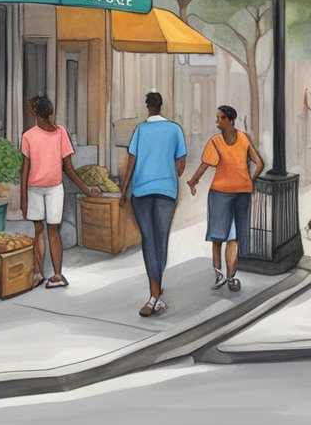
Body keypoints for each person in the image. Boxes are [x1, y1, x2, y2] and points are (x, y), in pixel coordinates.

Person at [20, 95, 101, 289]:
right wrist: (23, 197)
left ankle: (57, 274)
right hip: (35, 190)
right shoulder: (28, 136)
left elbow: (68, 168)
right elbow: (25, 169)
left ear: (35, 113)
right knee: (41, 229)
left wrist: (86, 189)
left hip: (54, 189)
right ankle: (40, 273)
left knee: (50, 229)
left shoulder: (60, 133)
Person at [120, 92, 188, 318]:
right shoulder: (175, 130)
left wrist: (123, 191)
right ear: (161, 106)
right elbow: (180, 167)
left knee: (148, 241)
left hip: (141, 191)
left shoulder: (140, 130)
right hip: (166, 191)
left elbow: (131, 162)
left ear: (147, 106)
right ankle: (155, 292)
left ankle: (154, 294)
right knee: (161, 240)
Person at [185, 106, 263, 293]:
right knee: (218, 236)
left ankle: (229, 276)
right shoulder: (216, 142)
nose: (217, 121)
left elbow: (259, 163)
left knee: (232, 236)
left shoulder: (242, 138)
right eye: (217, 118)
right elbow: (205, 164)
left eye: (221, 118)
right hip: (221, 193)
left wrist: (249, 181)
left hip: (237, 194)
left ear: (230, 120)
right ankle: (219, 273)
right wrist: (193, 181)